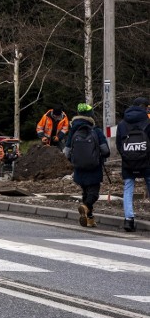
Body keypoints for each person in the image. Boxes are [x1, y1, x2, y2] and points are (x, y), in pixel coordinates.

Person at [64, 103, 110, 228]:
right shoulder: (96, 131)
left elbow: (66, 152)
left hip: (79, 169)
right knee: (94, 194)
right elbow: (106, 151)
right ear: (90, 115)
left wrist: (75, 160)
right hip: (94, 168)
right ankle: (86, 207)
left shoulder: (73, 131)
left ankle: (89, 219)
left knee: (85, 192)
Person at [115, 97, 150, 232]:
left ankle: (129, 220)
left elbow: (119, 144)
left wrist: (126, 156)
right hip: (146, 161)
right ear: (144, 107)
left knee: (128, 188)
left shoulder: (123, 123)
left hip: (128, 161)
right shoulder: (147, 121)